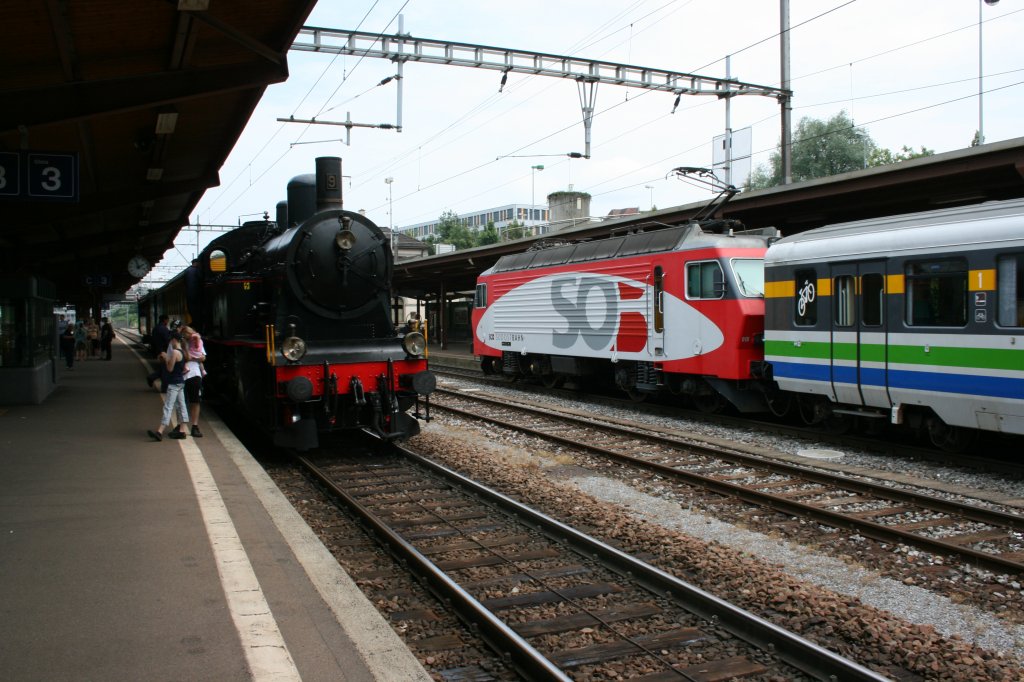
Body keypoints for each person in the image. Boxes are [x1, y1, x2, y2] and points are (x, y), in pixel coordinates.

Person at [147, 331, 190, 442]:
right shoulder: (183, 352)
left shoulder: (175, 352)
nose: (170, 342)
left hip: (174, 383)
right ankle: (182, 430)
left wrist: (166, 358)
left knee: (168, 406)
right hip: (180, 382)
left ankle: (160, 431)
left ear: (174, 340)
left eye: (171, 340)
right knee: (182, 406)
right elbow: (183, 368)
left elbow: (169, 369)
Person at [180, 325, 206, 437]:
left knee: (194, 400)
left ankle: (194, 426)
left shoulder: (198, 342)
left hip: (194, 373)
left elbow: (203, 357)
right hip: (181, 374)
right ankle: (181, 426)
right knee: (181, 402)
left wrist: (193, 358)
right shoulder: (178, 342)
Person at [146, 315, 172, 387]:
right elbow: (167, 340)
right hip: (163, 351)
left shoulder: (156, 327)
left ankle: (151, 377)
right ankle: (164, 387)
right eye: (167, 320)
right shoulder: (163, 329)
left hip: (158, 350)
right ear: (164, 320)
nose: (168, 322)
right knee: (165, 369)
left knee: (163, 368)